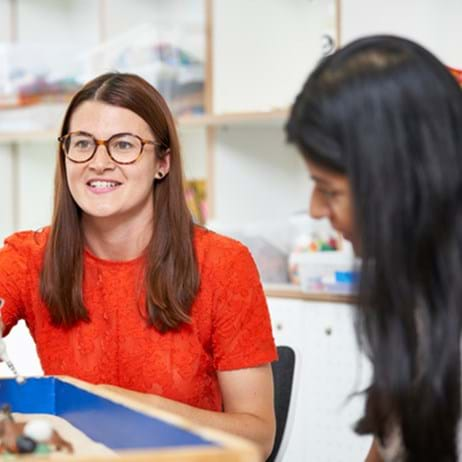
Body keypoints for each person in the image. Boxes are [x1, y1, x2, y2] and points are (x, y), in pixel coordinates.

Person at [0, 72, 277, 457]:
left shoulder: (223, 264)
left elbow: (258, 437)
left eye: (124, 145)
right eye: (82, 144)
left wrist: (122, 406)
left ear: (162, 161)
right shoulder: (28, 257)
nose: (99, 162)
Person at [286, 35, 462, 462]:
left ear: (401, 184)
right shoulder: (421, 285)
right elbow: (394, 445)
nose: (314, 209)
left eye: (329, 190)